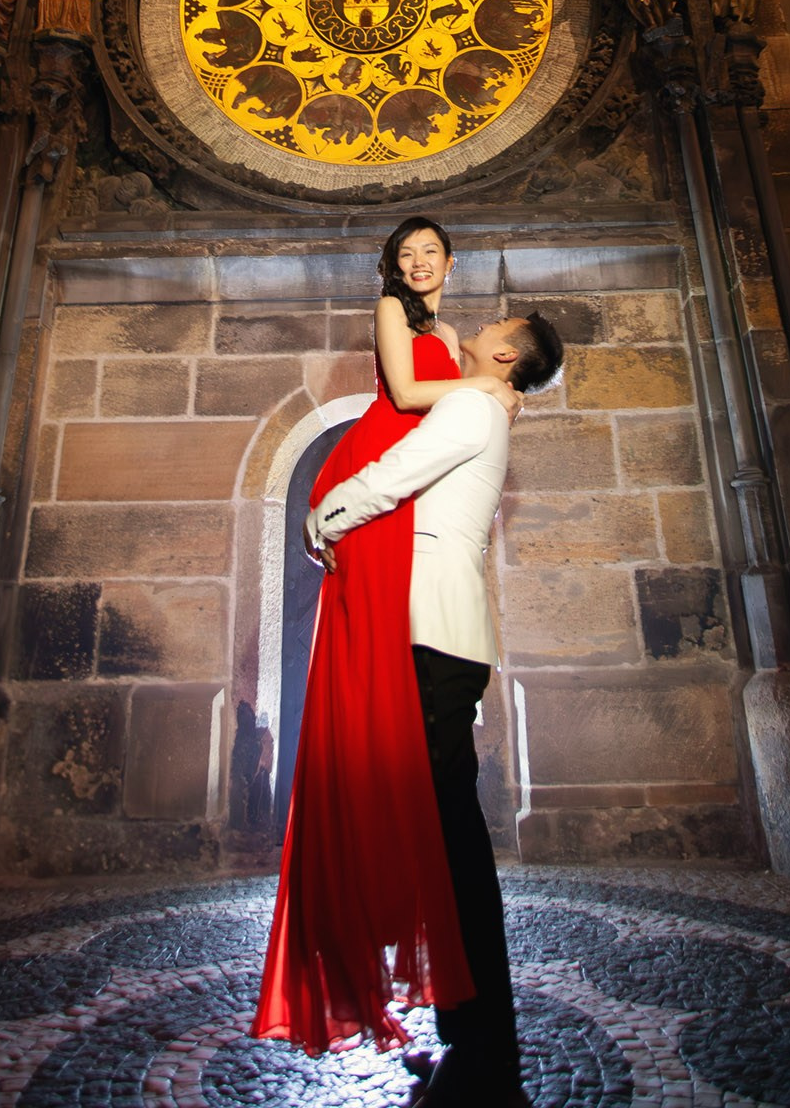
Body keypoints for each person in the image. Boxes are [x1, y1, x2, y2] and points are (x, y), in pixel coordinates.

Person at [252, 219, 522, 1057]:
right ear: (394, 267)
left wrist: (488, 390)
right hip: (382, 461)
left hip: (416, 493)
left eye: (429, 253)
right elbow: (405, 397)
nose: (416, 263)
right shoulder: (395, 315)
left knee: (407, 716)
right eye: (406, 254)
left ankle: (431, 944)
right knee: (374, 647)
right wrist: (492, 393)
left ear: (450, 263)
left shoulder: (453, 336)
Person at [305, 309, 564, 1108]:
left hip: (434, 639)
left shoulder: (476, 403)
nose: (480, 324)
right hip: (443, 637)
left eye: (497, 324)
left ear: (508, 354)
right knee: (444, 841)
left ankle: (483, 1063)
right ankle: (475, 1049)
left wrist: (328, 513)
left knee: (449, 846)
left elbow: (403, 469)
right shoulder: (483, 398)